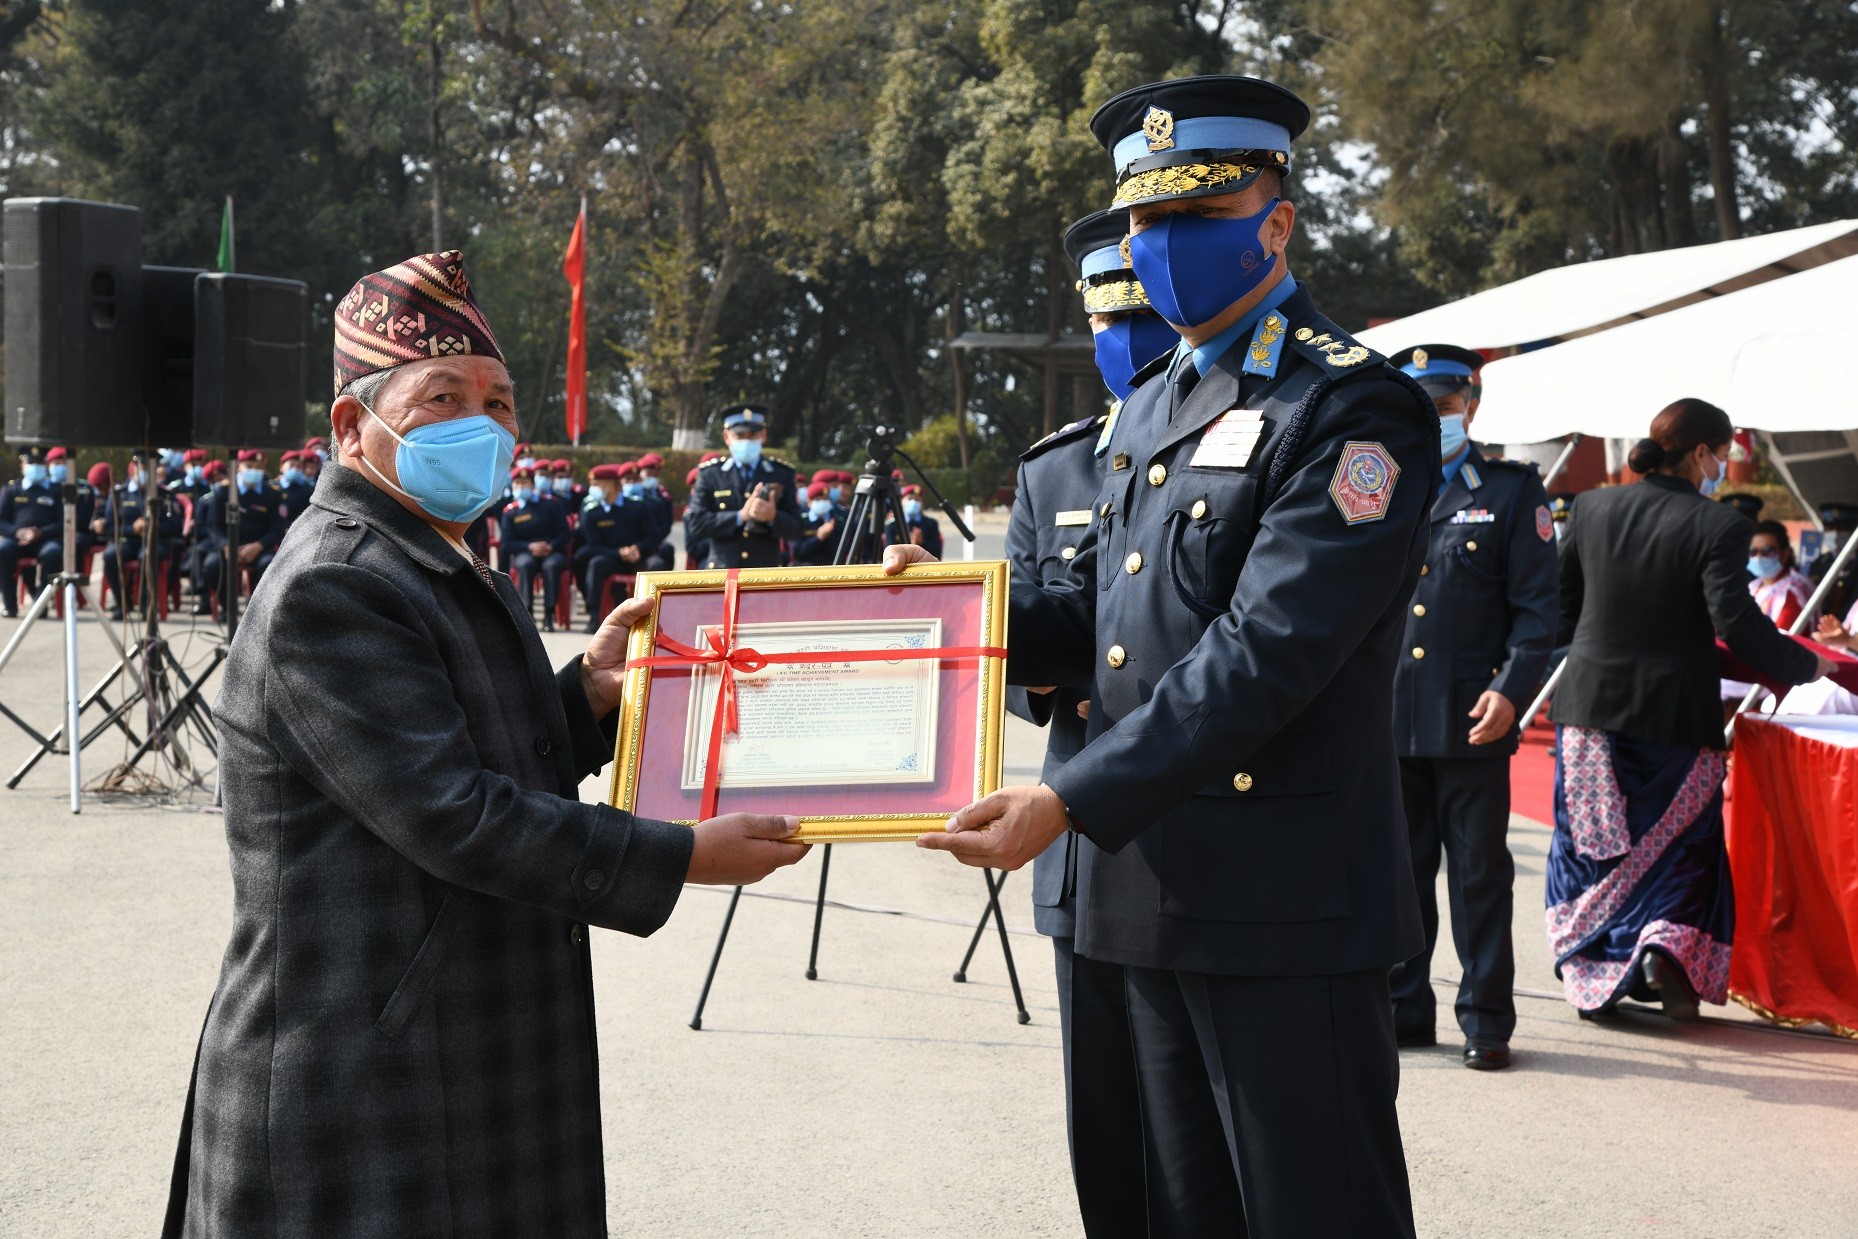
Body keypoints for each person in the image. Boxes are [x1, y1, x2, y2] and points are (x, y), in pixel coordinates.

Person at [160, 250, 807, 1239]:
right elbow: (453, 815)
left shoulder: (431, 558)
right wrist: (679, 853)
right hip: (365, 1077)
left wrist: (588, 696)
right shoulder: (337, 584)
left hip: (458, 1045)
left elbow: (456, 750)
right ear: (352, 426)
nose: (485, 425)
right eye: (444, 398)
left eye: (499, 402)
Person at [892, 76, 1435, 1236]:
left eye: (1196, 214)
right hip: (1135, 887)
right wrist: (943, 617)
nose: (1163, 244)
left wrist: (1068, 797)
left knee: (1307, 1213)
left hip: (1280, 902)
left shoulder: (1349, 407)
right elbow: (1099, 611)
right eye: (1145, 219)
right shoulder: (1149, 403)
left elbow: (1266, 651)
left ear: (1275, 224)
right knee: (1151, 1213)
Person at [996, 204, 1176, 1236]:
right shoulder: (1052, 468)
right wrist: (966, 618)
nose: (1127, 339)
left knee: (1202, 1145)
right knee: (1104, 1122)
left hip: (1198, 828)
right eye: (1108, 319)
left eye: (1145, 316)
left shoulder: (1244, 446)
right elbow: (1023, 655)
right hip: (1075, 838)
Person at [1547, 398, 1828, 1021]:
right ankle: (1661, 954)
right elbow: (1736, 622)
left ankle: (1595, 972)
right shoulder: (1717, 524)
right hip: (1673, 714)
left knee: (1593, 845)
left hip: (1589, 708)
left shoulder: (1591, 507)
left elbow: (1562, 609)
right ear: (1702, 453)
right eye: (1723, 454)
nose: (1723, 466)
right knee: (1680, 847)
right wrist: (1806, 665)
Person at [1383, 343, 1557, 1072]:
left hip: (1472, 717)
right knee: (1400, 874)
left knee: (1479, 877)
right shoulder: (1379, 486)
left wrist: (1513, 689)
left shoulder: (1513, 491)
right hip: (1391, 718)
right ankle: (1404, 1008)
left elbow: (1538, 612)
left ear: (1471, 408)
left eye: (1446, 405)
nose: (1435, 418)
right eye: (1420, 405)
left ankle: (1486, 1019)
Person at [685, 405, 805, 568]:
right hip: (723, 570)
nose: (746, 441)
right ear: (727, 437)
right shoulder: (710, 474)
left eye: (753, 435)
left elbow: (797, 528)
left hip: (765, 570)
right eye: (740, 435)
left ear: (763, 435)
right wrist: (740, 516)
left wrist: (773, 517)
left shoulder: (781, 473)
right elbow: (697, 524)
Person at [192, 450, 284, 616]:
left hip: (259, 548)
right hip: (227, 547)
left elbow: (276, 530)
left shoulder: (272, 494)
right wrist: (226, 546)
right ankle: (228, 608)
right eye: (249, 466)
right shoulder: (223, 492)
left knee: (269, 565)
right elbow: (213, 526)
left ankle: (255, 611)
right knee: (212, 565)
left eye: (258, 467)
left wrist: (258, 546)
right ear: (238, 466)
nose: (254, 471)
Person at [98, 453, 182, 620]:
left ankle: (146, 604)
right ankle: (122, 602)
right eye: (144, 467)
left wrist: (153, 526)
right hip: (127, 540)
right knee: (111, 555)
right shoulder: (119, 493)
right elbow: (110, 526)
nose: (148, 472)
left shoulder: (165, 493)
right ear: (135, 466)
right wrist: (133, 529)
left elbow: (175, 527)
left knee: (148, 556)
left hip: (155, 541)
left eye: (152, 468)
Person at [574, 463, 654, 631]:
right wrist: (619, 552)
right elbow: (593, 545)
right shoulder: (591, 511)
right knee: (595, 564)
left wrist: (637, 548)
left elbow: (653, 536)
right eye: (592, 484)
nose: (593, 488)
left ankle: (653, 615)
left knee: (657, 565)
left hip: (638, 557)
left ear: (614, 485)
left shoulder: (637, 506)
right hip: (611, 558)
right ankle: (594, 616)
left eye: (598, 484)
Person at [500, 463, 571, 632]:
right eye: (517, 483)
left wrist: (551, 546)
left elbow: (565, 533)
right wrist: (529, 546)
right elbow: (507, 543)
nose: (520, 487)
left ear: (532, 485)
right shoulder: (510, 511)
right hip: (525, 552)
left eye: (524, 483)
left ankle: (549, 614)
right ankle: (528, 612)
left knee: (551, 566)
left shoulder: (551, 504)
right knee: (526, 564)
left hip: (551, 551)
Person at [0, 447, 63, 615]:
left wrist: (41, 532)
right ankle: (10, 605)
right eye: (31, 462)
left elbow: (63, 522)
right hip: (17, 539)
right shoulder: (12, 489)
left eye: (39, 463)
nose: (35, 466)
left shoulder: (56, 490)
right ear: (22, 465)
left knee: (54, 553)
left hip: (45, 539)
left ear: (46, 465)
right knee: (2, 549)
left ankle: (40, 603)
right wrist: (17, 532)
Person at [276, 450, 315, 531]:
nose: (295, 469)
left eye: (299, 467)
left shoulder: (308, 490)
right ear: (282, 467)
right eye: (291, 465)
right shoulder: (273, 487)